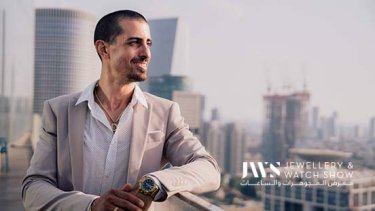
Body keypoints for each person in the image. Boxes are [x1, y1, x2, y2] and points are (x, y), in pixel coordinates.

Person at [22, 10, 220, 211]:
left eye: (148, 43)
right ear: (104, 49)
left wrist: (154, 183)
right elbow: (33, 188)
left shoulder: (166, 112)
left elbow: (208, 169)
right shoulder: (59, 111)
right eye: (134, 42)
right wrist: (90, 205)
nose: (146, 53)